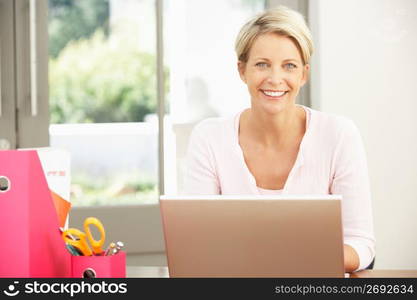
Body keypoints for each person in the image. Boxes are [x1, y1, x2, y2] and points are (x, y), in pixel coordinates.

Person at [183, 6, 375, 273]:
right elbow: (195, 241)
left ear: (303, 74)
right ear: (242, 70)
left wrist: (289, 257)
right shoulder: (209, 138)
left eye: (289, 66)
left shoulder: (339, 135)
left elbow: (361, 244)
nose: (275, 79)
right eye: (262, 64)